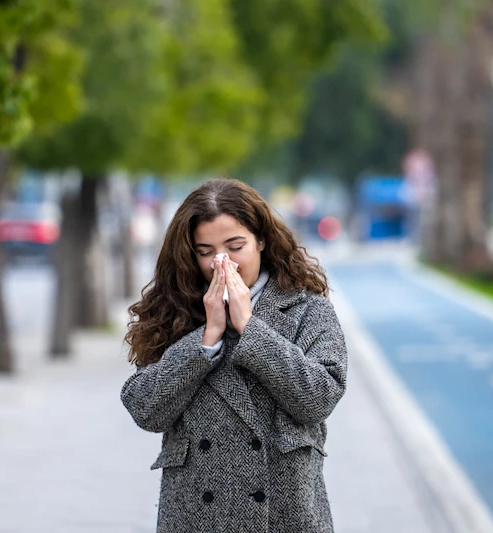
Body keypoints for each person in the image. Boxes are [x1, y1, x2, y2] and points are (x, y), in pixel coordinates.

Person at [121, 178, 348, 533]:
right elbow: (145, 409)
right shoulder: (174, 314)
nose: (221, 262)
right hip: (197, 519)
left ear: (261, 240)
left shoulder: (308, 310)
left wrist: (249, 329)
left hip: (286, 516)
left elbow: (319, 397)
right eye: (206, 251)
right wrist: (206, 339)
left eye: (235, 245)